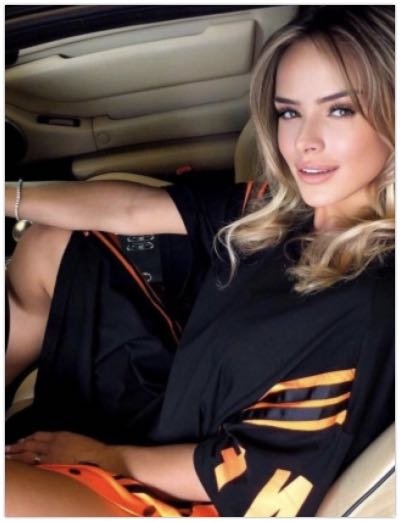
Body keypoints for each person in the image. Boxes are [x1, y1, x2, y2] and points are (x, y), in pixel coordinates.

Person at [4, 5, 394, 517]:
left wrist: (112, 457)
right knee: (53, 242)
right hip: (175, 405)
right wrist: (9, 196)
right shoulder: (278, 213)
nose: (305, 141)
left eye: (340, 110)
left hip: (190, 490)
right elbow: (133, 208)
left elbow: (258, 474)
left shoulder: (368, 302)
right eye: (289, 112)